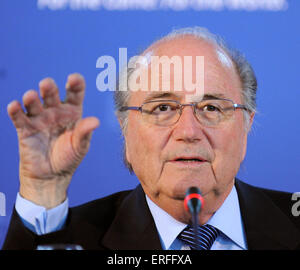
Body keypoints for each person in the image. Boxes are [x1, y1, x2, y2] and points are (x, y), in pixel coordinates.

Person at [2, 27, 300, 250]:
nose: (188, 132)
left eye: (211, 107)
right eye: (162, 108)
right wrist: (42, 192)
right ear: (125, 129)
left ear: (246, 124)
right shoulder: (77, 236)